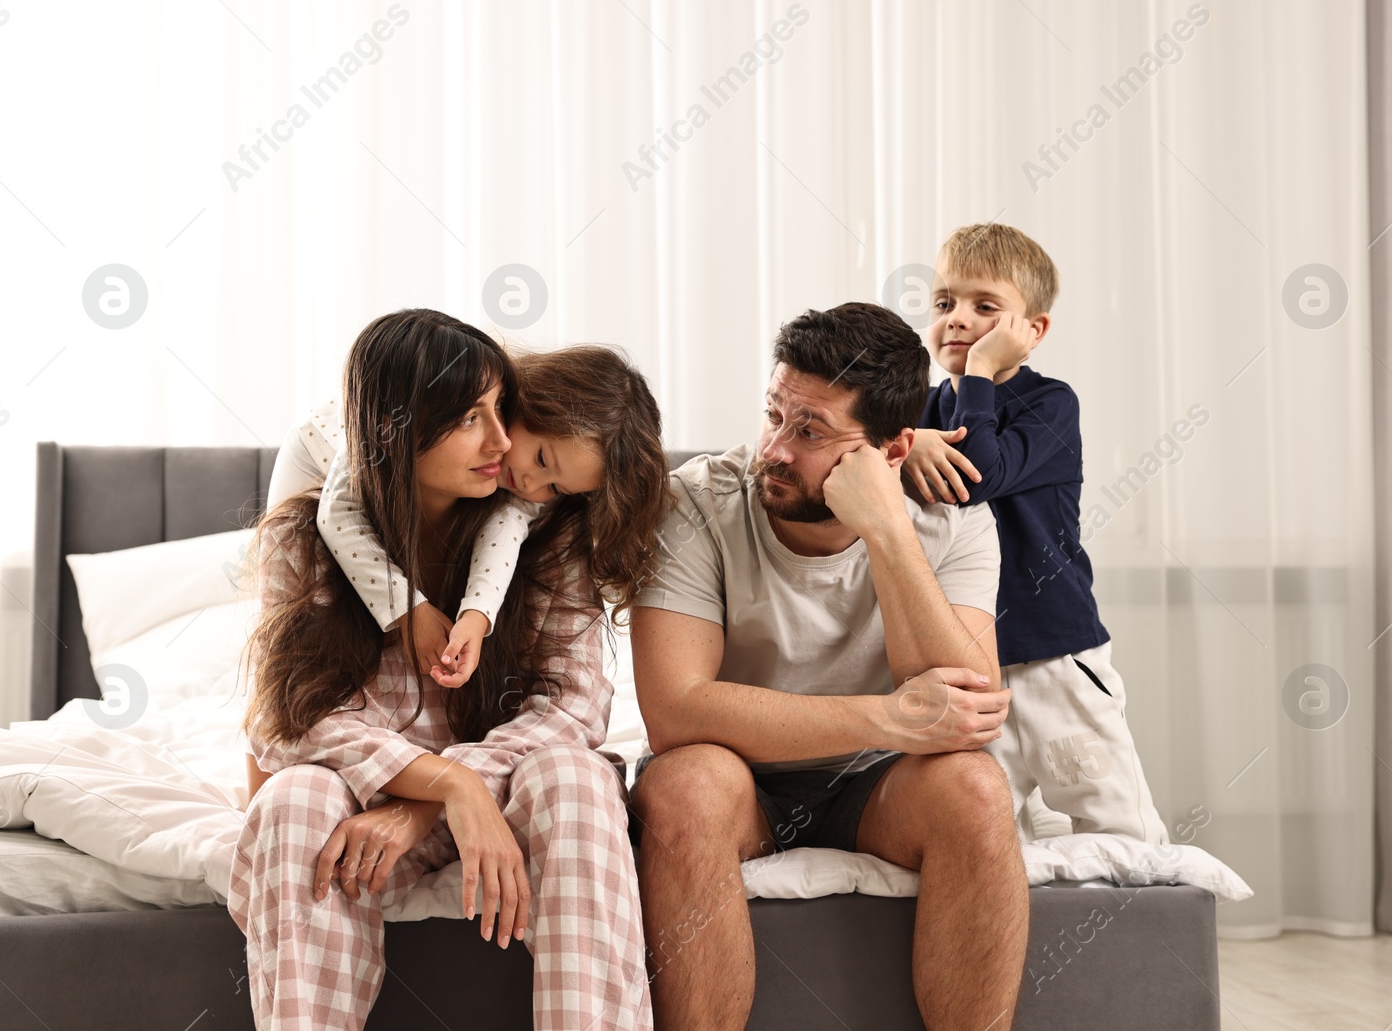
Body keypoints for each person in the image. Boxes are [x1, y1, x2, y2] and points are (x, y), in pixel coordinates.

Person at [233, 309, 656, 1031]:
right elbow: (285, 723)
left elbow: (577, 704)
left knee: (578, 778)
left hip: (494, 796)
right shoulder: (308, 532)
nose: (500, 443)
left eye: (501, 411)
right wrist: (443, 783)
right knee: (292, 799)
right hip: (365, 803)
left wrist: (450, 792)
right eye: (471, 418)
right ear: (400, 429)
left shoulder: (545, 533)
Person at [630, 302, 1029, 1031]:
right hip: (740, 779)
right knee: (682, 783)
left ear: (892, 450)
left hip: (880, 786)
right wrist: (889, 716)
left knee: (974, 788)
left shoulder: (957, 519)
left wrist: (887, 529)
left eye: (810, 431)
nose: (774, 449)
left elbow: (969, 712)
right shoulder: (696, 501)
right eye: (775, 414)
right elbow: (676, 710)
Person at [903, 221, 1167, 842]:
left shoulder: (1051, 404)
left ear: (1033, 330)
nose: (957, 319)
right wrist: (910, 441)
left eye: (984, 307)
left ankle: (1139, 927)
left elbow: (978, 474)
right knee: (990, 826)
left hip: (1055, 649)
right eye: (944, 303)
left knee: (1111, 812)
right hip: (972, 660)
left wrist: (975, 377)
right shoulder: (924, 411)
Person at [266, 343, 669, 687]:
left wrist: (476, 617)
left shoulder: (519, 482)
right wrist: (407, 609)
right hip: (322, 454)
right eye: (542, 459)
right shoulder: (428, 416)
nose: (531, 485)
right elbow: (339, 517)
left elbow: (507, 526)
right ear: (530, 401)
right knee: (288, 602)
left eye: (556, 488)